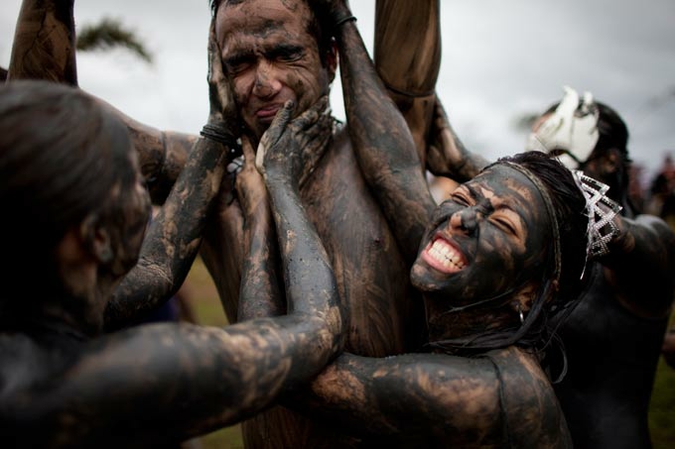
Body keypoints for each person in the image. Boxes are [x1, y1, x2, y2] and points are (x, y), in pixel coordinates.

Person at [250, 61, 600, 443]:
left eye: (503, 225)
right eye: (464, 196)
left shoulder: (493, 391)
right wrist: (341, 18)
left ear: (533, 290)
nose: (462, 219)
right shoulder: (467, 297)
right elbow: (395, 171)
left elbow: (284, 367)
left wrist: (272, 191)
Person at [0, 80, 344, 448]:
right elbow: (317, 328)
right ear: (96, 238)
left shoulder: (28, 310)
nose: (149, 200)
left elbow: (155, 263)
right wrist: (279, 181)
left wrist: (219, 125)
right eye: (137, 183)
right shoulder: (109, 379)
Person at [524, 86, 675, 449]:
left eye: (558, 153)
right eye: (540, 155)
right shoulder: (549, 244)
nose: (546, 167)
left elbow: (628, 240)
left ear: (608, 161)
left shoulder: (649, 238)